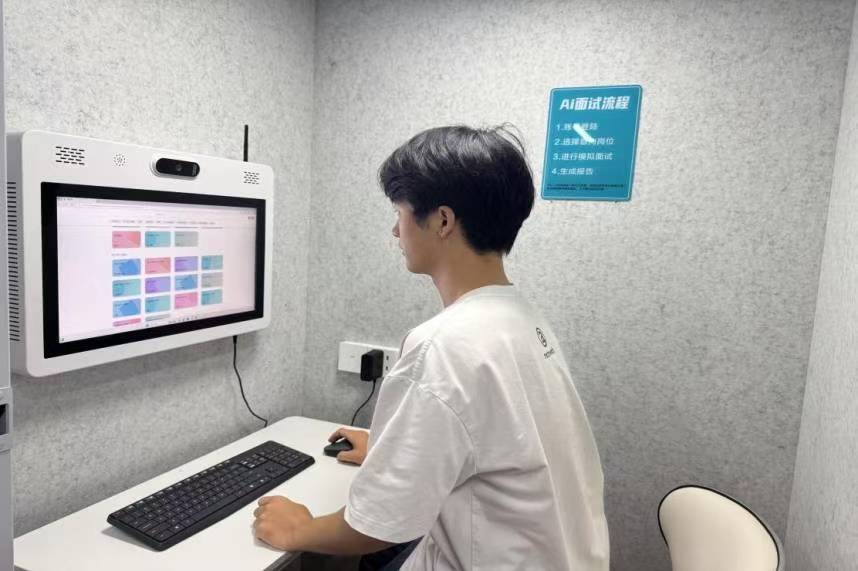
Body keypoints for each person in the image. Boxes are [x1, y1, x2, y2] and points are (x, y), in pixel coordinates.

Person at [252, 125, 610, 570]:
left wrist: (298, 529)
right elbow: (500, 439)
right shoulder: (522, 318)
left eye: (400, 213)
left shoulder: (443, 345)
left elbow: (375, 526)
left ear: (442, 221)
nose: (395, 231)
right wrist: (393, 448)